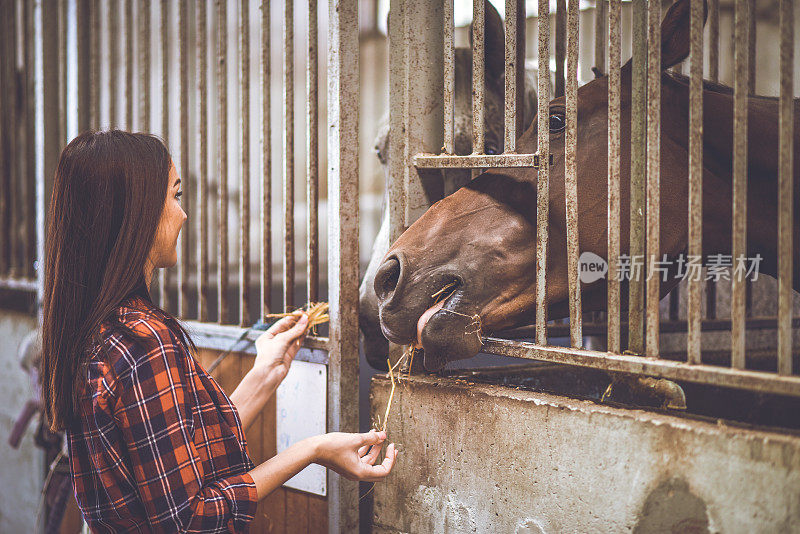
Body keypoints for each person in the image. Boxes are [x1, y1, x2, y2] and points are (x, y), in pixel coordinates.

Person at [41, 130, 397, 532]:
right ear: (137, 212)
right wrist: (311, 450)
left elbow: (173, 457)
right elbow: (190, 518)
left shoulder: (98, 331)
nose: (183, 214)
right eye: (175, 196)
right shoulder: (144, 342)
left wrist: (265, 372)